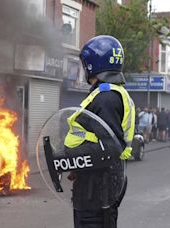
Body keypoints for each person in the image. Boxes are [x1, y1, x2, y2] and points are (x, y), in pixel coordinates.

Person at [66, 35, 135, 228]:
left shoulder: (106, 98)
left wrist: (69, 157)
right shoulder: (111, 93)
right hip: (97, 181)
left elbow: (109, 148)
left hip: (97, 187)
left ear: (92, 65)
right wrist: (76, 164)